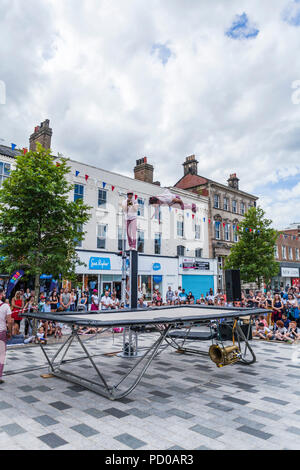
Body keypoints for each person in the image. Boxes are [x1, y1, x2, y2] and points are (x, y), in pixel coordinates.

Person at [0, 288, 12, 384]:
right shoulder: (5, 306)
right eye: (3, 293)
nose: (4, 295)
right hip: (1, 332)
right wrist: (10, 332)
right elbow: (9, 321)